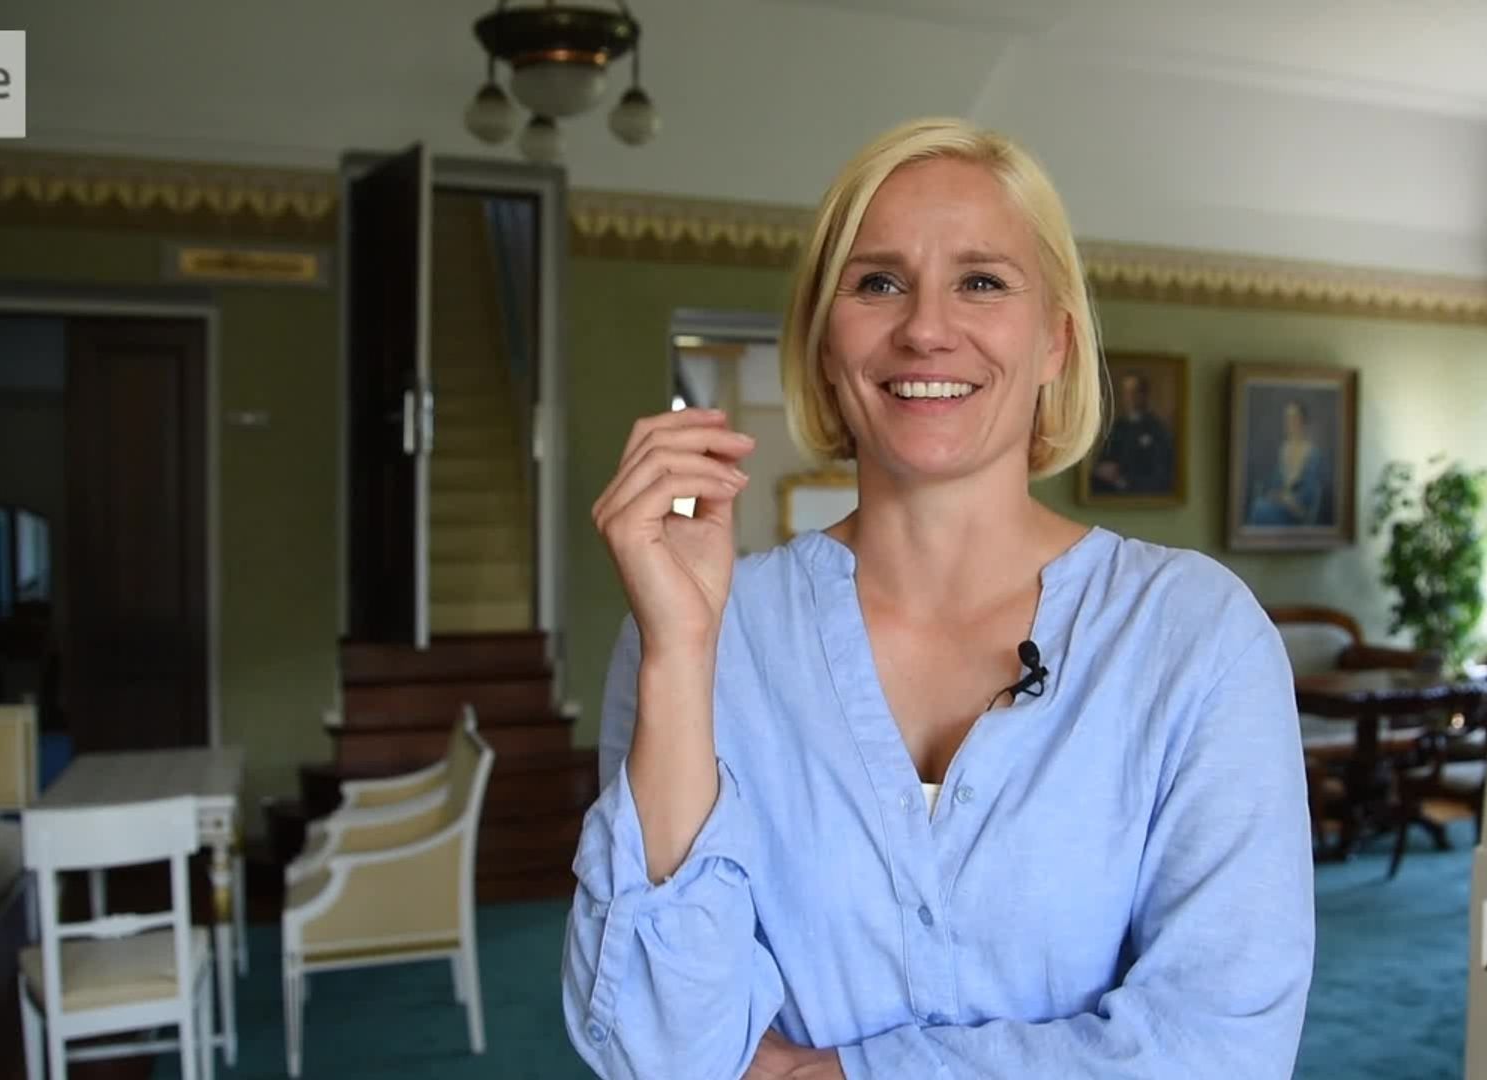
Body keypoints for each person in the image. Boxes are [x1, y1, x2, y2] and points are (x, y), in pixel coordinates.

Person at [563, 117, 1313, 1079]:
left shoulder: (1195, 635)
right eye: (878, 282)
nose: (925, 328)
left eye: (982, 282)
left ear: (1055, 341)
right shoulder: (695, 633)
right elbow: (661, 1054)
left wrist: (843, 1073)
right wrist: (678, 656)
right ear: (823, 343)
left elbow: (1221, 1047)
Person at [1089, 370, 1175, 494]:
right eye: (1126, 393)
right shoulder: (1117, 427)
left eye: (1134, 392)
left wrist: (1123, 480)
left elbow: (1161, 473)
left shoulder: (1157, 429)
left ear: (1143, 395)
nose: (1129, 397)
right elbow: (1104, 461)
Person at [1246, 400, 1326, 527]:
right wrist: (1276, 494)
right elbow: (1275, 483)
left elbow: (1311, 494)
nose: (1289, 423)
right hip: (1279, 506)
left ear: (1303, 421)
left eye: (1294, 418)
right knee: (1259, 506)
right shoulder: (1283, 449)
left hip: (1298, 511)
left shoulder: (1312, 453)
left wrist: (1289, 500)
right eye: (1287, 418)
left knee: (1261, 509)